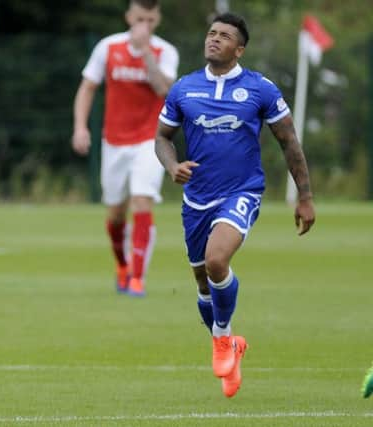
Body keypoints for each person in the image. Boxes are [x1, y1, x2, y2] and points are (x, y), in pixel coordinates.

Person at [155, 13, 315, 398]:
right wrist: (172, 165)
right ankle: (230, 344)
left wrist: (305, 196)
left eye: (224, 36)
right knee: (202, 284)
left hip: (241, 190)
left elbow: (289, 142)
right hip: (196, 198)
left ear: (239, 49)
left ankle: (223, 339)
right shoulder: (183, 88)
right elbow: (162, 137)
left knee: (216, 261)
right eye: (211, 32)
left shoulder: (261, 89)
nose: (214, 39)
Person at [72, 0, 179, 297]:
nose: (144, 25)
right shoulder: (108, 47)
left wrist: (145, 52)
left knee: (142, 201)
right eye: (140, 18)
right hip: (114, 141)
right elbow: (88, 87)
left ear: (157, 19)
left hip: (151, 140)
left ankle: (137, 278)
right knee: (116, 213)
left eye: (150, 20)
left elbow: (165, 90)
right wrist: (81, 127)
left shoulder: (164, 52)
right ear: (129, 17)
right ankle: (122, 265)